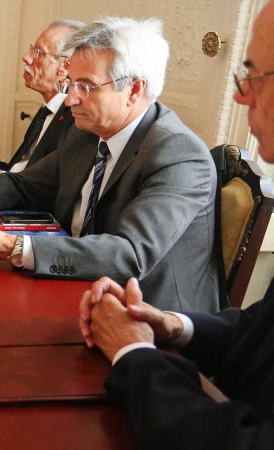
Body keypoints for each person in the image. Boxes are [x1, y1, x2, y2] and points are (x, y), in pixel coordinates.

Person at [0, 17, 219, 313]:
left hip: (147, 317)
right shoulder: (87, 132)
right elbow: (26, 183)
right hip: (73, 286)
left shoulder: (178, 153)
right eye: (70, 83)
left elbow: (130, 255)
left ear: (135, 90)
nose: (70, 98)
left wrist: (13, 247)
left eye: (85, 86)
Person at [79, 3, 274, 448]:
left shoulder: (176, 150)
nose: (242, 96)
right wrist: (172, 325)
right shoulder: (86, 135)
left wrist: (133, 352)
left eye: (256, 75)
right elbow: (259, 331)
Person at [0, 20, 83, 180]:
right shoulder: (46, 111)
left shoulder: (76, 120)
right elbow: (20, 171)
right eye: (32, 49)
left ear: (65, 66)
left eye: (39, 52)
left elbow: (50, 191)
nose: (26, 57)